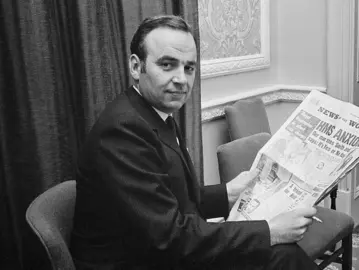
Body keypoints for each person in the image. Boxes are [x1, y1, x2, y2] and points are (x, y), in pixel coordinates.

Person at [70, 15, 319, 270]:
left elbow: (171, 196)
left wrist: (228, 193)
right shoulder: (123, 130)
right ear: (136, 66)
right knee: (281, 256)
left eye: (189, 68)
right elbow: (169, 238)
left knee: (281, 255)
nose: (181, 79)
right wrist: (270, 231)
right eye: (167, 65)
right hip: (141, 261)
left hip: (162, 249)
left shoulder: (154, 112)